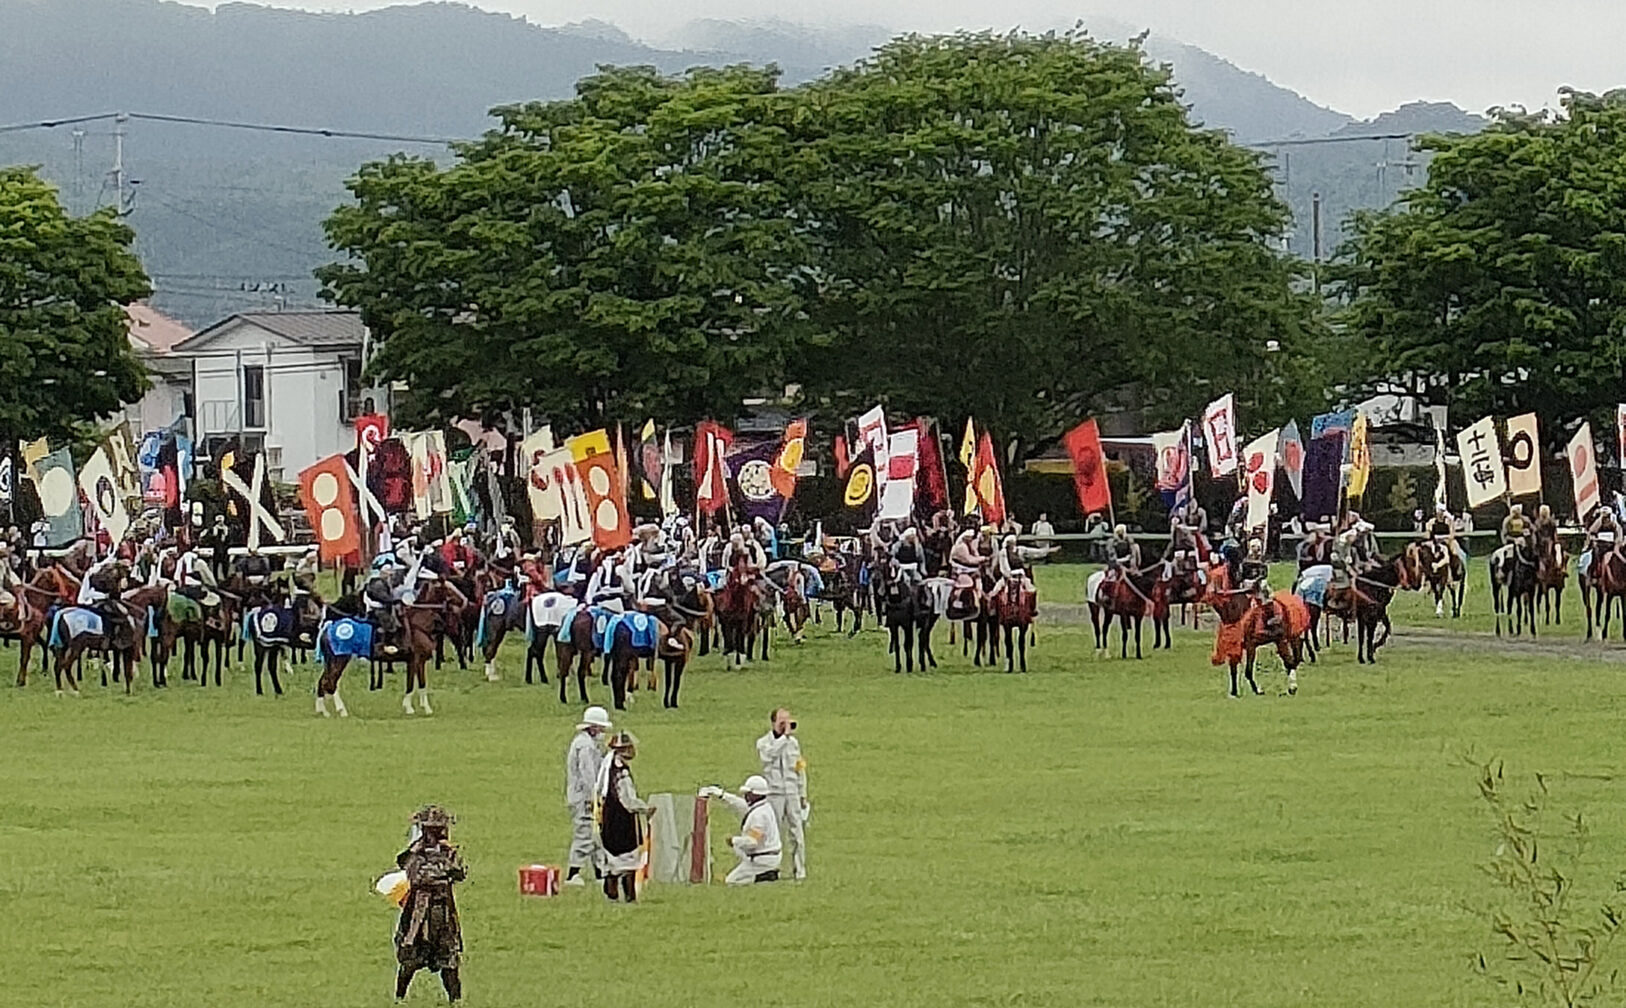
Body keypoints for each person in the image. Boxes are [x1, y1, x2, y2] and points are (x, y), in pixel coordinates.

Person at [394, 805, 466, 1003]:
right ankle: (399, 998)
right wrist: (416, 851)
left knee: (449, 963)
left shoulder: (448, 852)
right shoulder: (415, 853)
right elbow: (411, 872)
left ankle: (456, 1000)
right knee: (410, 959)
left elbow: (459, 873)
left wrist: (446, 856)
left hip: (442, 912)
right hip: (418, 912)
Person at [595, 731, 651, 902]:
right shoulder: (621, 773)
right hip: (621, 819)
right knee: (628, 857)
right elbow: (628, 800)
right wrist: (645, 809)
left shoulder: (608, 767)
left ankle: (611, 888)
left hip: (609, 816)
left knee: (614, 856)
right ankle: (627, 894)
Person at [698, 775, 783, 885]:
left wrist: (734, 841)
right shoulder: (763, 807)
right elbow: (740, 805)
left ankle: (764, 877)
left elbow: (753, 841)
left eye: (748, 793)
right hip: (768, 856)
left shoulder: (759, 816)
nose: (745, 795)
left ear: (755, 795)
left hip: (763, 859)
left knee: (732, 881)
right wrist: (722, 795)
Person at [756, 708, 808, 881]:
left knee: (797, 832)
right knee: (774, 833)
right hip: (774, 793)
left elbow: (800, 768)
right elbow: (769, 756)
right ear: (773, 723)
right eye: (781, 721)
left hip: (792, 792)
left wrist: (803, 792)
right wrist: (784, 738)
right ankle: (772, 869)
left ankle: (799, 870)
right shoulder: (764, 742)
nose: (786, 724)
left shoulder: (793, 743)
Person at [564, 706, 612, 886]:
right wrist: (594, 796)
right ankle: (573, 873)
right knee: (584, 834)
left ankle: (600, 872)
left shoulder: (588, 744)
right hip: (584, 798)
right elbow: (588, 774)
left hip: (587, 797)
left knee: (596, 836)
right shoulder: (584, 746)